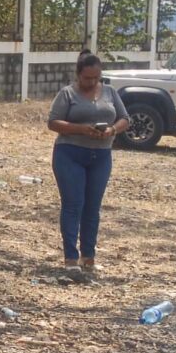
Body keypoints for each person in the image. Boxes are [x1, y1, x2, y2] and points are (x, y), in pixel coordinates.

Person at [47, 50, 130, 271]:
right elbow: (53, 122)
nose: (91, 82)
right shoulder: (67, 94)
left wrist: (112, 129)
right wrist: (81, 129)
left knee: (92, 207)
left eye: (96, 78)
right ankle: (70, 258)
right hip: (70, 153)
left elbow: (125, 118)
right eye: (87, 78)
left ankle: (89, 256)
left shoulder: (110, 92)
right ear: (78, 75)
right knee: (74, 204)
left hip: (100, 156)